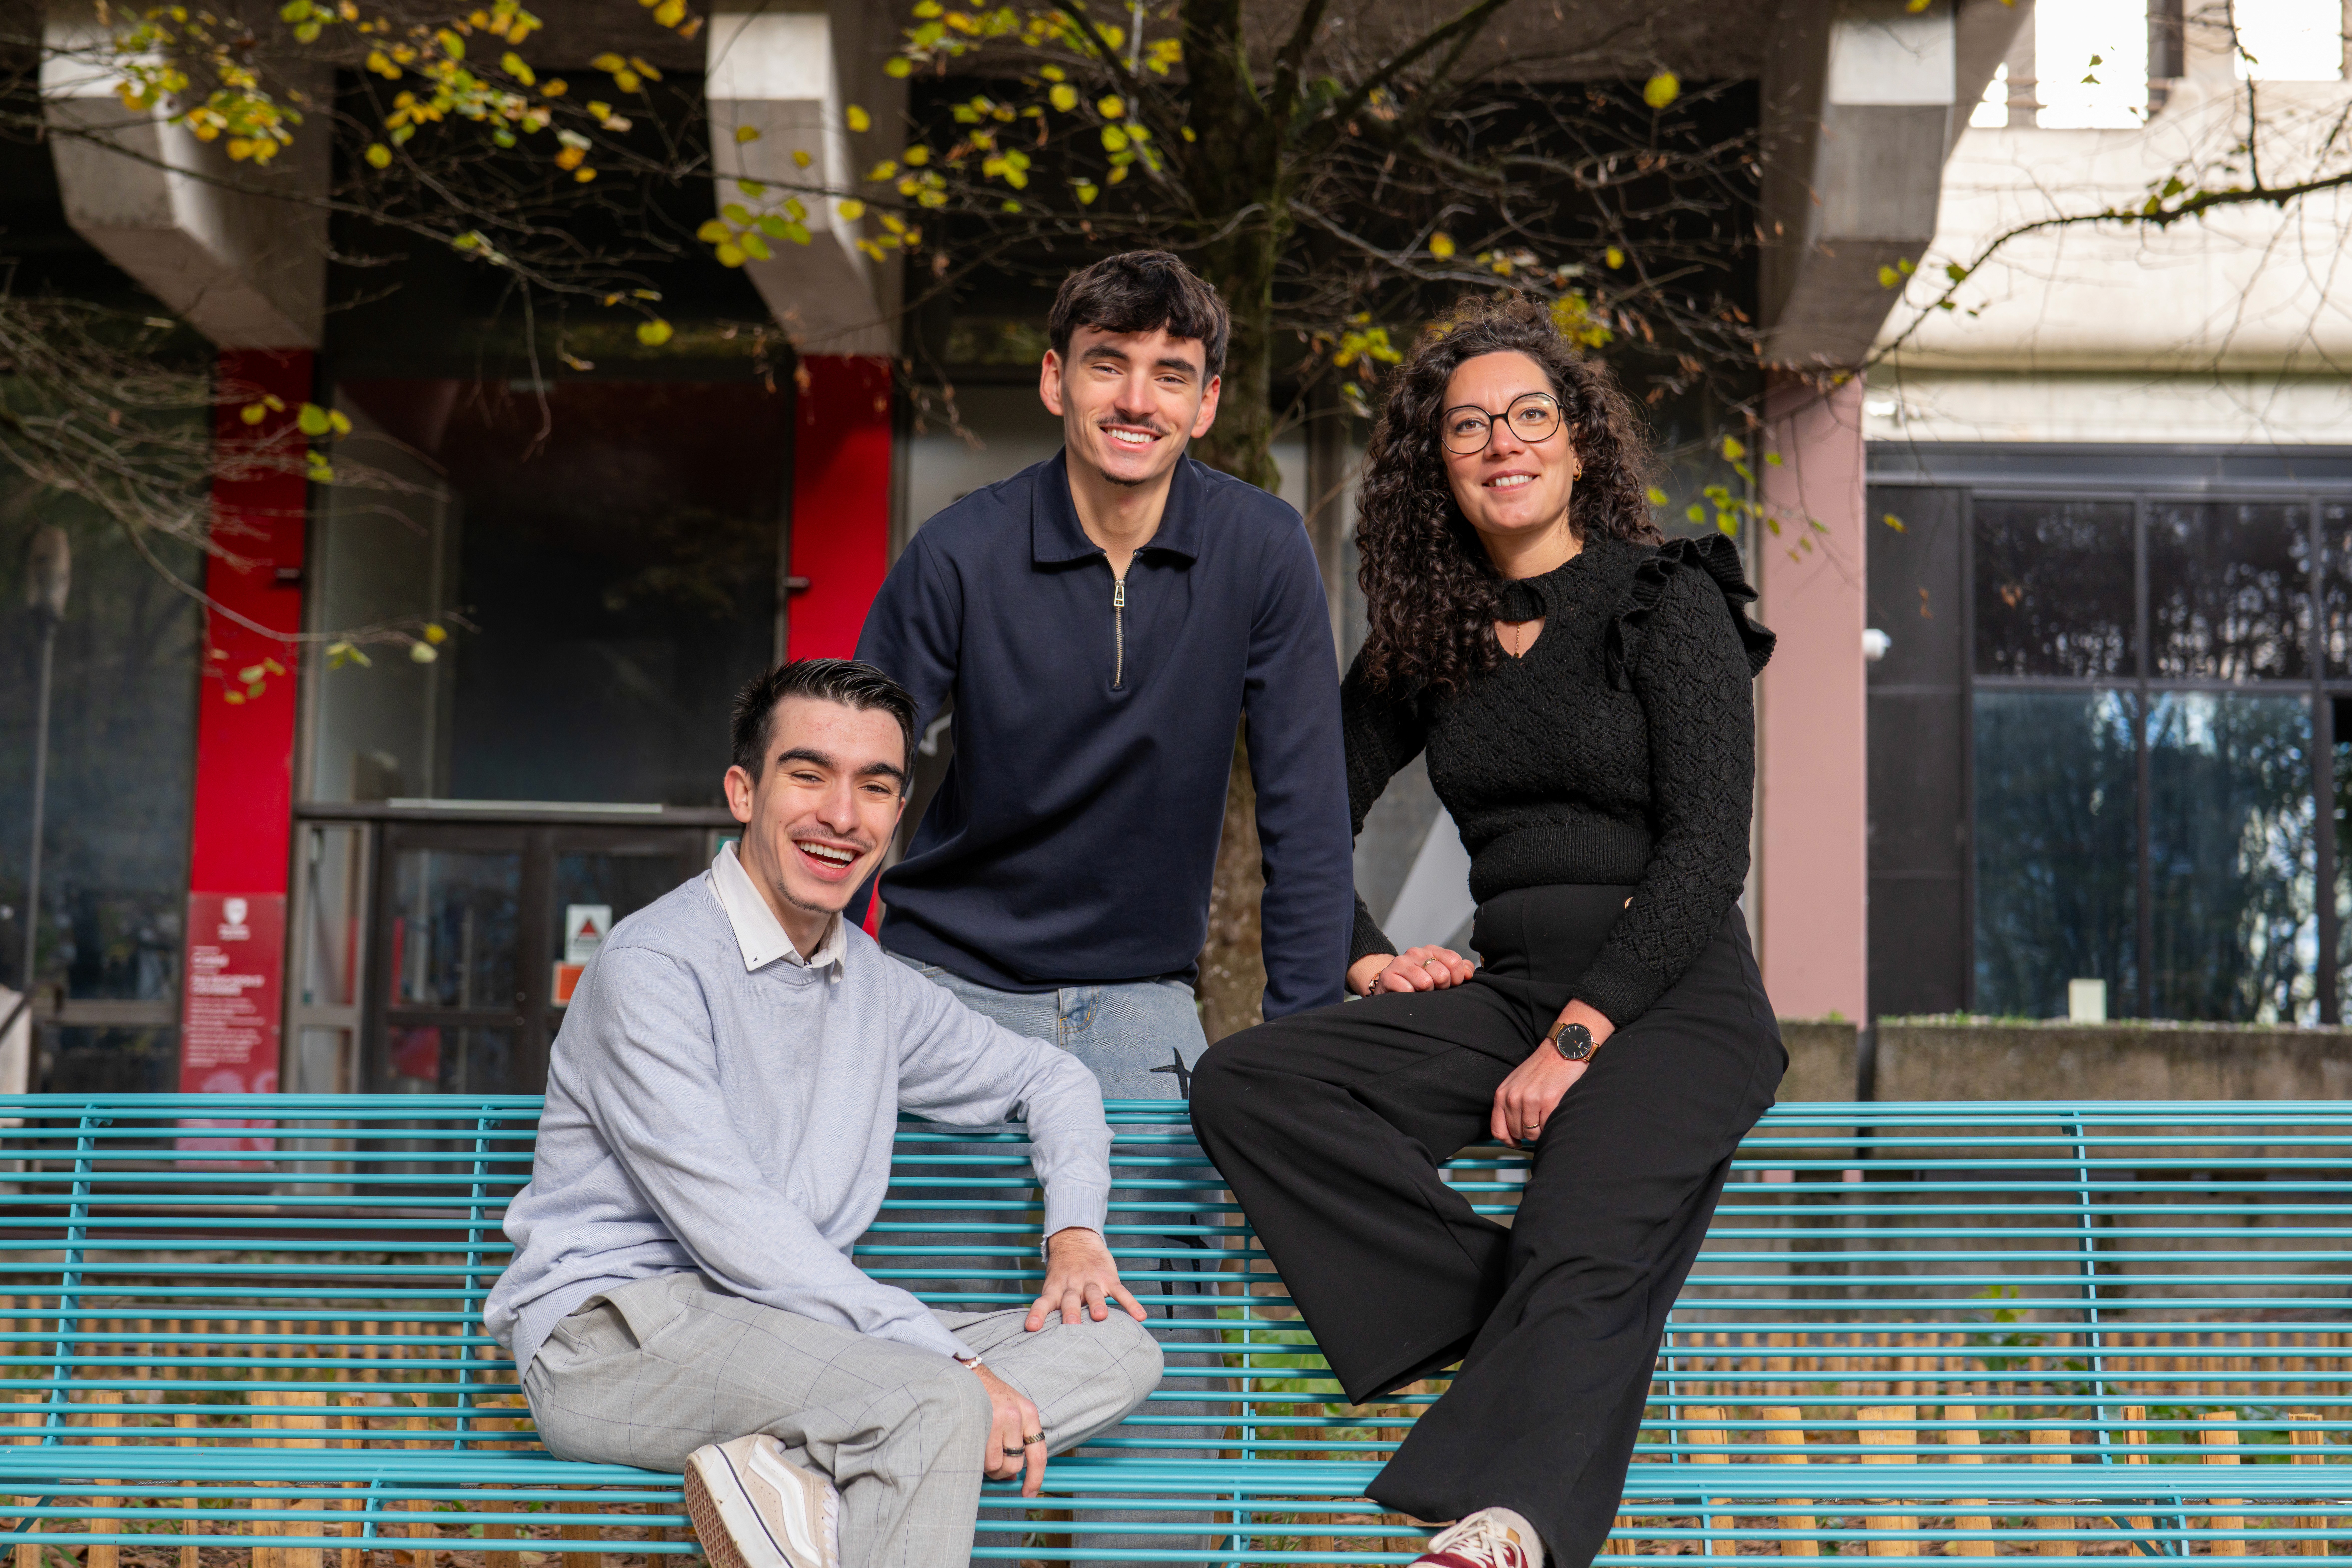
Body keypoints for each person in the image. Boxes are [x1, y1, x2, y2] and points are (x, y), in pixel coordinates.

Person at [1187, 296, 1785, 1568]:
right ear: (1435, 466)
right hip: (1507, 988)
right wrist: (1360, 952)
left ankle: (1499, 1530)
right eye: (1468, 426)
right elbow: (1305, 820)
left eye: (1529, 416)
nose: (1502, 441)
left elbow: (1704, 857)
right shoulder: (1428, 641)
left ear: (1577, 446)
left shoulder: (1663, 600)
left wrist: (1574, 1041)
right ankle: (1544, 1318)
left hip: (1672, 997)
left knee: (1581, 1226)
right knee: (1251, 1081)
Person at [485, 659, 1163, 1568]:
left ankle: (785, 1475)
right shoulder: (653, 966)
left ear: (894, 814)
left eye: (875, 787)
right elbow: (735, 1226)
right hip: (620, 1340)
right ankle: (842, 1444)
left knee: (1121, 1350)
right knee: (932, 1402)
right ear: (743, 791)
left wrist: (1074, 1229)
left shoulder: (874, 984)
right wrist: (945, 1365)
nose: (842, 816)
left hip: (793, 1332)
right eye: (809, 775)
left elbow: (1055, 1079)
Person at [853, 248, 1353, 1090]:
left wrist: (1302, 1055)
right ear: (1057, 380)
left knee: (1162, 1226)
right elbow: (851, 768)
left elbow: (1307, 816)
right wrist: (809, 990)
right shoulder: (961, 551)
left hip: (1142, 997)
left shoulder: (1262, 549)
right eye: (1108, 364)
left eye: (1171, 374)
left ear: (1206, 402)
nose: (1135, 400)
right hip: (947, 985)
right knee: (926, 1225)